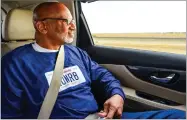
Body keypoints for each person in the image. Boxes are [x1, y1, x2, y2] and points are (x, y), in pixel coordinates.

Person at [1, 2, 185, 119]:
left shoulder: (76, 53)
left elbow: (103, 75)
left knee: (177, 116)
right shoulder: (13, 64)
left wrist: (116, 95)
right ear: (42, 26)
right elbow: (8, 114)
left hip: (99, 116)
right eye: (66, 21)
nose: (73, 26)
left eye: (72, 20)